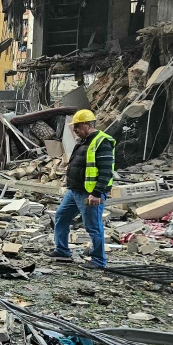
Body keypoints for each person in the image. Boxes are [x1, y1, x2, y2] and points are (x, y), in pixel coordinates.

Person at [51, 109, 116, 269]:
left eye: (78, 127)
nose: (75, 130)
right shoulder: (83, 141)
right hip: (75, 191)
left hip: (90, 193)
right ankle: (62, 250)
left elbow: (106, 170)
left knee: (93, 226)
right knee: (61, 217)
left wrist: (97, 193)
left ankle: (99, 260)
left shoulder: (102, 142)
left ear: (88, 125)